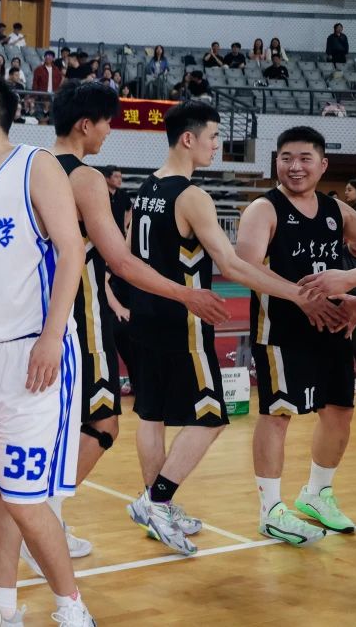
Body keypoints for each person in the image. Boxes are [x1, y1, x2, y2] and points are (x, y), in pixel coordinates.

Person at [40, 84, 228, 566]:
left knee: (135, 416)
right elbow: (121, 261)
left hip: (41, 315)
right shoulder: (84, 177)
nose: (109, 131)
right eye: (107, 122)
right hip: (81, 319)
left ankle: (144, 504)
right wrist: (186, 292)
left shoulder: (29, 166)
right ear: (86, 124)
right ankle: (44, 524)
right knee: (106, 422)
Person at [0, 72, 95, 626]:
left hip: (35, 351)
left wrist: (52, 336)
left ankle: (72, 608)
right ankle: (3, 606)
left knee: (26, 497)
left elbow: (72, 252)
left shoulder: (36, 165)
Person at [125, 101, 308, 556]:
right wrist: (295, 293)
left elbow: (128, 256)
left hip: (144, 316)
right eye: (213, 137)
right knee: (210, 417)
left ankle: (156, 506)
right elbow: (232, 264)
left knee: (151, 416)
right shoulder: (192, 196)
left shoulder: (145, 187)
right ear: (188, 139)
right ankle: (156, 501)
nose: (217, 145)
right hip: (184, 323)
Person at [234, 126, 356, 543]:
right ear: (276, 162)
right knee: (277, 414)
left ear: (323, 165)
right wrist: (302, 298)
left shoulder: (336, 210)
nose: (295, 166)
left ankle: (317, 493)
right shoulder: (263, 209)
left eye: (305, 158)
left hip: (332, 328)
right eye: (286, 158)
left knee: (339, 411)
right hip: (281, 331)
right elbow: (245, 267)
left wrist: (354, 290)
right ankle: (270, 509)